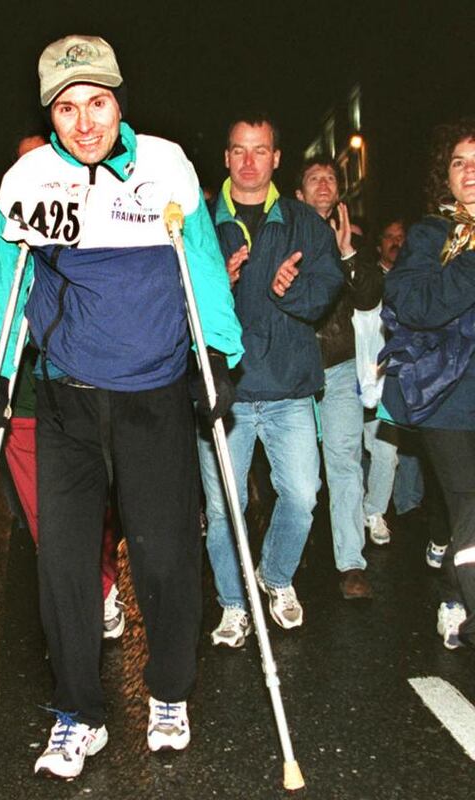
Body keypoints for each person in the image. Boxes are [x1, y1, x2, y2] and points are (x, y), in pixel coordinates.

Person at [0, 34, 242, 779]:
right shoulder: (28, 179)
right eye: (67, 107)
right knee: (62, 563)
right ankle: (77, 711)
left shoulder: (163, 165)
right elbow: (7, 281)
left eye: (97, 102)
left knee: (163, 555)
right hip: (66, 397)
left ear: (118, 101)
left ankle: (169, 692)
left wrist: (217, 351)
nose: (84, 121)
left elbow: (202, 266)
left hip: (153, 393)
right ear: (50, 113)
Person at [199, 115, 343, 647]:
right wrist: (224, 283)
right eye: (240, 150)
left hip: (288, 387)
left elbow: (328, 284)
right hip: (226, 391)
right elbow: (181, 295)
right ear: (227, 156)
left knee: (303, 495)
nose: (250, 161)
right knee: (223, 508)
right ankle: (234, 604)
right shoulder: (200, 224)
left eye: (261, 150)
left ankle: (276, 576)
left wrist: (294, 289)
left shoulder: (305, 221)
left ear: (277, 158)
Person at [0, 132, 126, 640]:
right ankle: (83, 596)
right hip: (25, 396)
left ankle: (102, 584)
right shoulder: (3, 227)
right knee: (48, 515)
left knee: (95, 501)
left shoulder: (93, 212)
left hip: (80, 389)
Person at [379, 117, 475, 650]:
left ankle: (455, 596)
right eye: (459, 162)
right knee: (469, 502)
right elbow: (413, 303)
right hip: (451, 397)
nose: (469, 172)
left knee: (464, 512)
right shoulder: (432, 234)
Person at [295, 157, 382, 599]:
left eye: (330, 178)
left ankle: (351, 563)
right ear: (300, 193)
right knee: (298, 477)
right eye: (314, 178)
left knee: (345, 461)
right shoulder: (284, 237)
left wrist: (347, 252)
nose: (324, 184)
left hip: (341, 365)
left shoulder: (356, 242)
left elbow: (370, 297)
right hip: (294, 371)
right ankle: (289, 553)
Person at [361, 218, 408, 545]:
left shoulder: (412, 280)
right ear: (379, 245)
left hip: (392, 381)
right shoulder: (365, 279)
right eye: (389, 237)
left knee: (386, 451)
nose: (395, 242)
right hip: (356, 376)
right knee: (349, 454)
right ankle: (353, 516)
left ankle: (375, 511)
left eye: (400, 238)